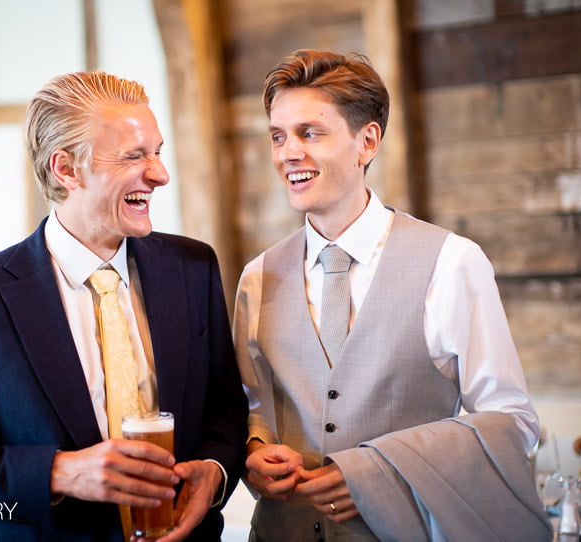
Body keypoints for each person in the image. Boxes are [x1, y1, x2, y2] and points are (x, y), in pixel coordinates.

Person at [0, 71, 248, 542]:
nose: (160, 174)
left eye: (157, 151)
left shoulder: (194, 267)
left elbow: (226, 411)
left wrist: (213, 471)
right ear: (66, 169)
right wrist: (60, 473)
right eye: (134, 156)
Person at [233, 49, 552, 541]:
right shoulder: (258, 277)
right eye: (278, 136)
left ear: (367, 141)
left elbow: (512, 423)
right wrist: (256, 452)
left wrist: (376, 471)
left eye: (309, 133)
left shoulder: (452, 262)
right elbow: (255, 409)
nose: (287, 153)